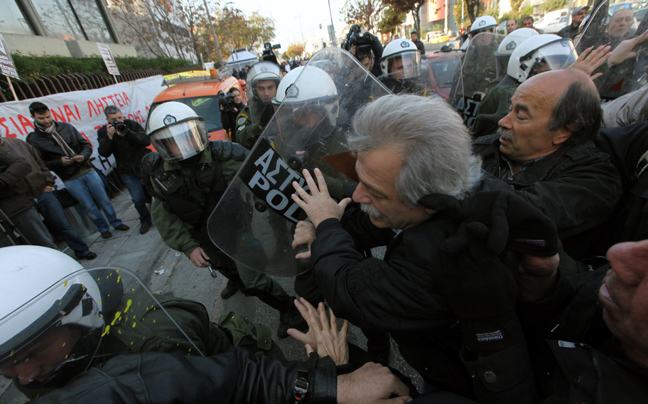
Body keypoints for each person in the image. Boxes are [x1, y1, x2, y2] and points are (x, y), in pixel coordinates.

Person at [290, 94, 561, 402]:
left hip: (469, 384)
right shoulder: (459, 189)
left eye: (374, 191)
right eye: (359, 179)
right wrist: (327, 232)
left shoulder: (444, 258)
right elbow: (379, 220)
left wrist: (325, 221)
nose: (358, 195)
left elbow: (348, 288)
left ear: (428, 200)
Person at [0, 245, 288, 399]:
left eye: (35, 352)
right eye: (5, 365)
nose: (24, 374)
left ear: (81, 316)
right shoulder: (29, 372)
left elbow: (211, 387)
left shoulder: (154, 339)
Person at [141, 101, 306, 338]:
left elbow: (271, 180)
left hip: (239, 229)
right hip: (204, 236)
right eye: (172, 142)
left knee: (254, 280)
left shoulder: (227, 156)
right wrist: (189, 248)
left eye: (186, 137)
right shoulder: (158, 174)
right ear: (160, 145)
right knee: (227, 269)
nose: (182, 146)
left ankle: (288, 308)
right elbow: (164, 217)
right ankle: (235, 280)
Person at [473, 69, 623, 262]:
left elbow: (521, 211)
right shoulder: (484, 147)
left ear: (564, 130)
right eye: (510, 110)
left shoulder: (595, 179)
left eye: (521, 116)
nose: (503, 121)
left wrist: (456, 169)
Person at [26, 102, 129, 239]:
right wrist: (60, 162)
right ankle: (103, 228)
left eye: (48, 117)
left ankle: (115, 222)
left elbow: (85, 145)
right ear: (33, 117)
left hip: (86, 169)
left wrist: (83, 156)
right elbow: (41, 163)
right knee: (88, 205)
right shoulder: (34, 139)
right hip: (69, 177)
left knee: (104, 199)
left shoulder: (65, 127)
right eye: (41, 118)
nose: (46, 120)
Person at [0, 134, 97, 259]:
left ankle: (82, 251)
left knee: (64, 225)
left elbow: (40, 163)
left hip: (42, 192)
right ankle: (55, 260)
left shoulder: (17, 143)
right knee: (40, 237)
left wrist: (49, 184)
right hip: (22, 201)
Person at [471, 34, 579, 138]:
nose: (560, 70)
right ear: (529, 66)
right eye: (555, 63)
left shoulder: (573, 92)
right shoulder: (503, 94)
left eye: (563, 63)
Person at [97, 105, 153, 235]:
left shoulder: (130, 125)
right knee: (137, 199)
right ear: (107, 120)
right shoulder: (103, 132)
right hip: (126, 171)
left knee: (156, 192)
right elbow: (104, 153)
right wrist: (109, 138)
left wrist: (127, 132)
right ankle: (145, 220)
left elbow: (145, 141)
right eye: (114, 119)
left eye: (120, 117)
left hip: (143, 165)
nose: (118, 121)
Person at [0, 141, 59, 249]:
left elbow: (22, 164)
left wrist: (3, 180)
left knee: (44, 246)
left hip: (16, 206)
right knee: (10, 256)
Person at [235, 61, 282, 150]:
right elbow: (241, 139)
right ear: (255, 91)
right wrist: (260, 126)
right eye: (261, 89)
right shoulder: (248, 113)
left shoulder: (286, 107)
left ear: (277, 87)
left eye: (270, 87)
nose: (266, 93)